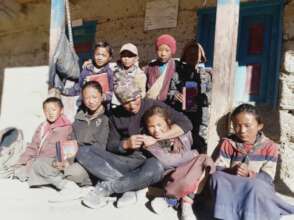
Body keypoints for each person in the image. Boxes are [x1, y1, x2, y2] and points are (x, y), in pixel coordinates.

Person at [76, 77, 193, 209]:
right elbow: (111, 145)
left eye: (135, 99)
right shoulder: (115, 115)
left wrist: (158, 139)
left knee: (155, 169)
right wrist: (125, 144)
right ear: (120, 101)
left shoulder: (153, 105)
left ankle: (108, 187)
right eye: (126, 102)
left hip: (151, 160)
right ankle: (131, 186)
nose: (132, 105)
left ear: (140, 94)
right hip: (126, 161)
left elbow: (186, 123)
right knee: (83, 151)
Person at [210, 103, 294, 220]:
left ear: (259, 126)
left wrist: (249, 174)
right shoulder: (228, 143)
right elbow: (218, 168)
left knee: (254, 186)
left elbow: (267, 177)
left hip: (257, 186)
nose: (242, 130)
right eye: (237, 125)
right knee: (217, 177)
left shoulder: (269, 146)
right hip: (234, 184)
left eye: (247, 125)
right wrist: (231, 170)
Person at [142, 106, 214, 220]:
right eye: (151, 126)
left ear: (168, 122)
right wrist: (194, 154)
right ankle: (185, 201)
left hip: (190, 170)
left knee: (205, 163)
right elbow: (168, 161)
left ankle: (174, 200)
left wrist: (195, 156)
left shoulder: (181, 133)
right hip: (171, 175)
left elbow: (199, 145)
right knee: (204, 159)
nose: (156, 130)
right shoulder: (149, 142)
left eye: (159, 125)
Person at [13, 97, 80, 199]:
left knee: (38, 165)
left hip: (56, 161)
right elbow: (33, 146)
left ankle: (66, 185)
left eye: (53, 109)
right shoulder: (43, 126)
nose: (50, 113)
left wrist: (63, 163)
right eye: (47, 110)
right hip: (40, 160)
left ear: (61, 110)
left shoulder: (66, 127)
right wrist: (22, 161)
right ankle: (42, 180)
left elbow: (69, 149)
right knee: (19, 169)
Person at [180, 40, 212, 153]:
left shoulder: (207, 75)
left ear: (201, 57)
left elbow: (211, 94)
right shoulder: (178, 73)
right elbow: (172, 90)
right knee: (183, 141)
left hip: (200, 115)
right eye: (189, 54)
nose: (192, 56)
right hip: (182, 113)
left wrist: (202, 97)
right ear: (185, 56)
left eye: (195, 54)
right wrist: (176, 95)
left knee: (200, 142)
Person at [64, 42, 114, 109]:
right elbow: (78, 87)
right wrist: (66, 91)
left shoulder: (109, 74)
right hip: (85, 106)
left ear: (110, 58)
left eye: (103, 55)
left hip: (102, 108)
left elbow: (112, 92)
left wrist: (104, 97)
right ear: (93, 54)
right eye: (97, 54)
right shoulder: (86, 71)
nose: (99, 58)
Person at [112, 43, 146, 107]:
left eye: (130, 56)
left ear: (136, 58)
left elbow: (142, 94)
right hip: (115, 105)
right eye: (124, 56)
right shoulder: (114, 69)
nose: (126, 59)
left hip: (130, 106)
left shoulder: (139, 74)